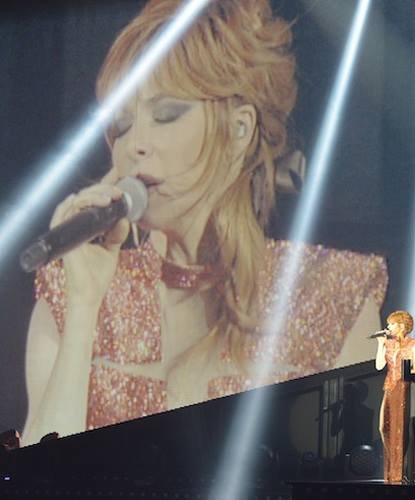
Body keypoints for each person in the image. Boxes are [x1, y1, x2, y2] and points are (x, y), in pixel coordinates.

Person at [22, 0, 387, 446]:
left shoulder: (330, 295)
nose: (135, 144)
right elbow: (39, 474)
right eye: (121, 125)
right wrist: (83, 307)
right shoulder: (68, 294)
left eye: (165, 114)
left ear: (238, 129)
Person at [374, 310, 415, 484]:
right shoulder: (388, 343)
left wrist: (405, 371)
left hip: (403, 387)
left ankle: (398, 472)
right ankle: (392, 468)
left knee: (399, 431)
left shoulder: (414, 344)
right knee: (384, 427)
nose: (388, 327)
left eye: (392, 324)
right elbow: (379, 365)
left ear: (401, 326)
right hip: (389, 387)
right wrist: (380, 344)